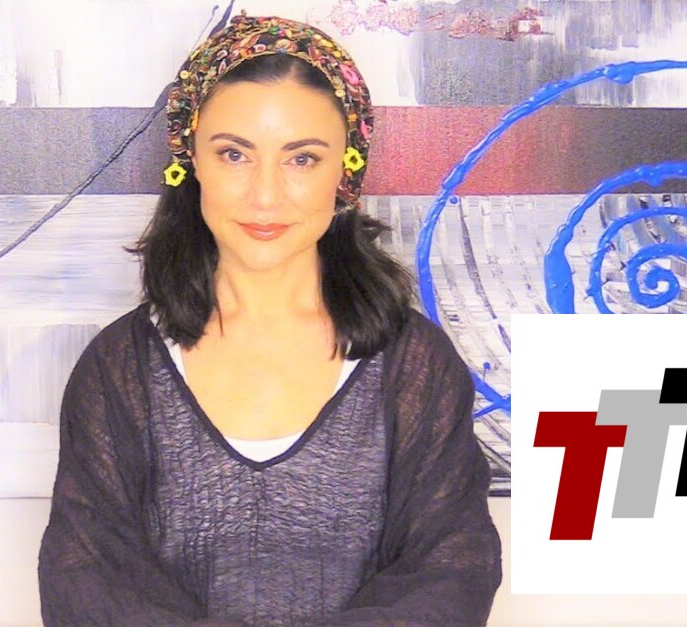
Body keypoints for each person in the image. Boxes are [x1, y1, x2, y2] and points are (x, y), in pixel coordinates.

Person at [38, 11, 501, 626]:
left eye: (301, 159)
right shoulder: (118, 368)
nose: (265, 195)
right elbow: (86, 579)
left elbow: (452, 571)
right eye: (234, 154)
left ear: (346, 170)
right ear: (189, 159)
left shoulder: (415, 365)